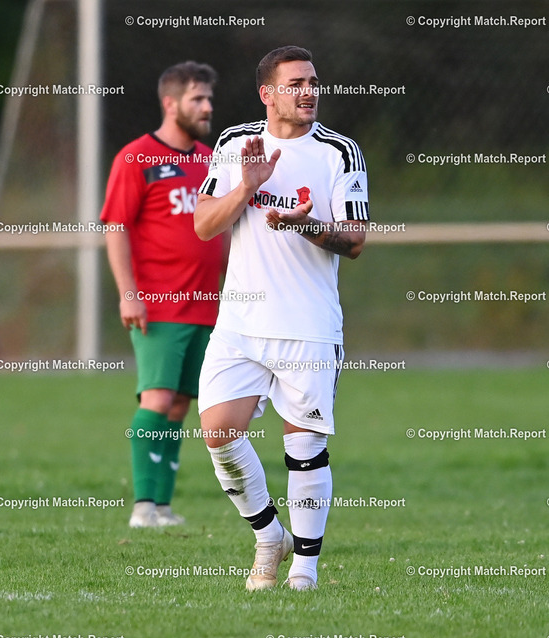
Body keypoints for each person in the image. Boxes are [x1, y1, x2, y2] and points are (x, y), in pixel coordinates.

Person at [194, 45, 369, 591]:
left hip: (308, 326)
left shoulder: (339, 152)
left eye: (313, 82)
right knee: (218, 433)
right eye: (296, 84)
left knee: (305, 449)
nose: (309, 92)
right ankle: (270, 535)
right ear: (267, 94)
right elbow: (204, 224)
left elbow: (354, 240)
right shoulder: (234, 144)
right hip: (240, 324)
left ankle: (304, 573)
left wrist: (302, 224)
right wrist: (246, 187)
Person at [101, 61, 223, 528]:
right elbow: (116, 226)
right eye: (197, 98)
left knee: (179, 405)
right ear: (170, 103)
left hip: (206, 307)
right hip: (159, 304)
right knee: (156, 398)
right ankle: (142, 507)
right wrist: (127, 293)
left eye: (209, 98)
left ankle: (163, 507)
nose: (207, 106)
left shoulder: (211, 160)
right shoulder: (136, 157)